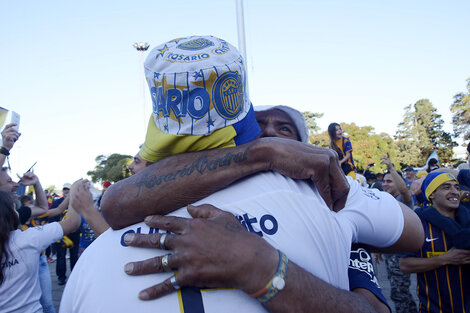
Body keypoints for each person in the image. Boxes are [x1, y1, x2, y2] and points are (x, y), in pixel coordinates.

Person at [61, 35, 423, 313]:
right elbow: (413, 233)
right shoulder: (320, 192)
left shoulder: (94, 260)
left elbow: (112, 204)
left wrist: (353, 259)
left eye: (284, 131)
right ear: (244, 118)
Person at [0, 187, 81, 313]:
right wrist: (76, 191)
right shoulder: (29, 238)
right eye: (15, 209)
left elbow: (56, 210)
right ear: (10, 214)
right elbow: (72, 222)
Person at [400, 172, 470, 313]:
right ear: (431, 194)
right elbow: (405, 265)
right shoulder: (418, 223)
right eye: (446, 187)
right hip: (434, 308)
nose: (455, 192)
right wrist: (444, 259)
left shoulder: (467, 221)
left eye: (457, 187)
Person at [378, 154, 417, 313]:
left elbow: (404, 190)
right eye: (384, 181)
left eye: (389, 181)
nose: (385, 184)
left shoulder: (403, 199)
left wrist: (391, 168)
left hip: (400, 257)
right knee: (399, 294)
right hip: (390, 256)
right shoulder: (385, 201)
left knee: (400, 294)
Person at [52, 183, 80, 286]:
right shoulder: (57, 203)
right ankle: (61, 277)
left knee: (74, 256)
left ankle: (74, 277)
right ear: (63, 191)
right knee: (61, 257)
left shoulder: (77, 202)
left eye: (69, 189)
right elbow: (53, 217)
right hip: (61, 233)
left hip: (74, 233)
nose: (67, 191)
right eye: (65, 189)